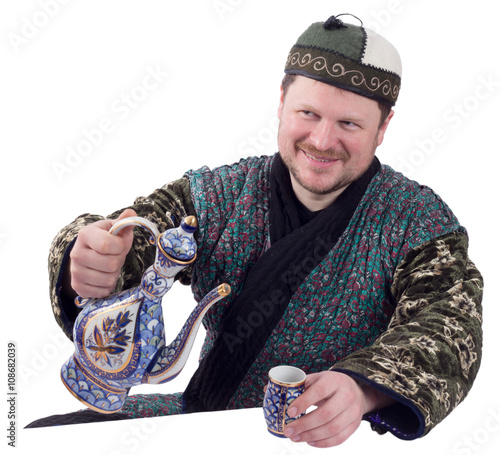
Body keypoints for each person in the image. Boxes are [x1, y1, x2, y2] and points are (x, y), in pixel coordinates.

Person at [36, 14, 482, 448]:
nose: (323, 141)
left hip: (329, 442)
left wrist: (364, 390)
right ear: (281, 103)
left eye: (349, 123)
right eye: (307, 113)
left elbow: (448, 328)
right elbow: (136, 231)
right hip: (204, 422)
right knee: (41, 435)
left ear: (383, 128)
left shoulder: (417, 221)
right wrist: (93, 255)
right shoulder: (221, 194)